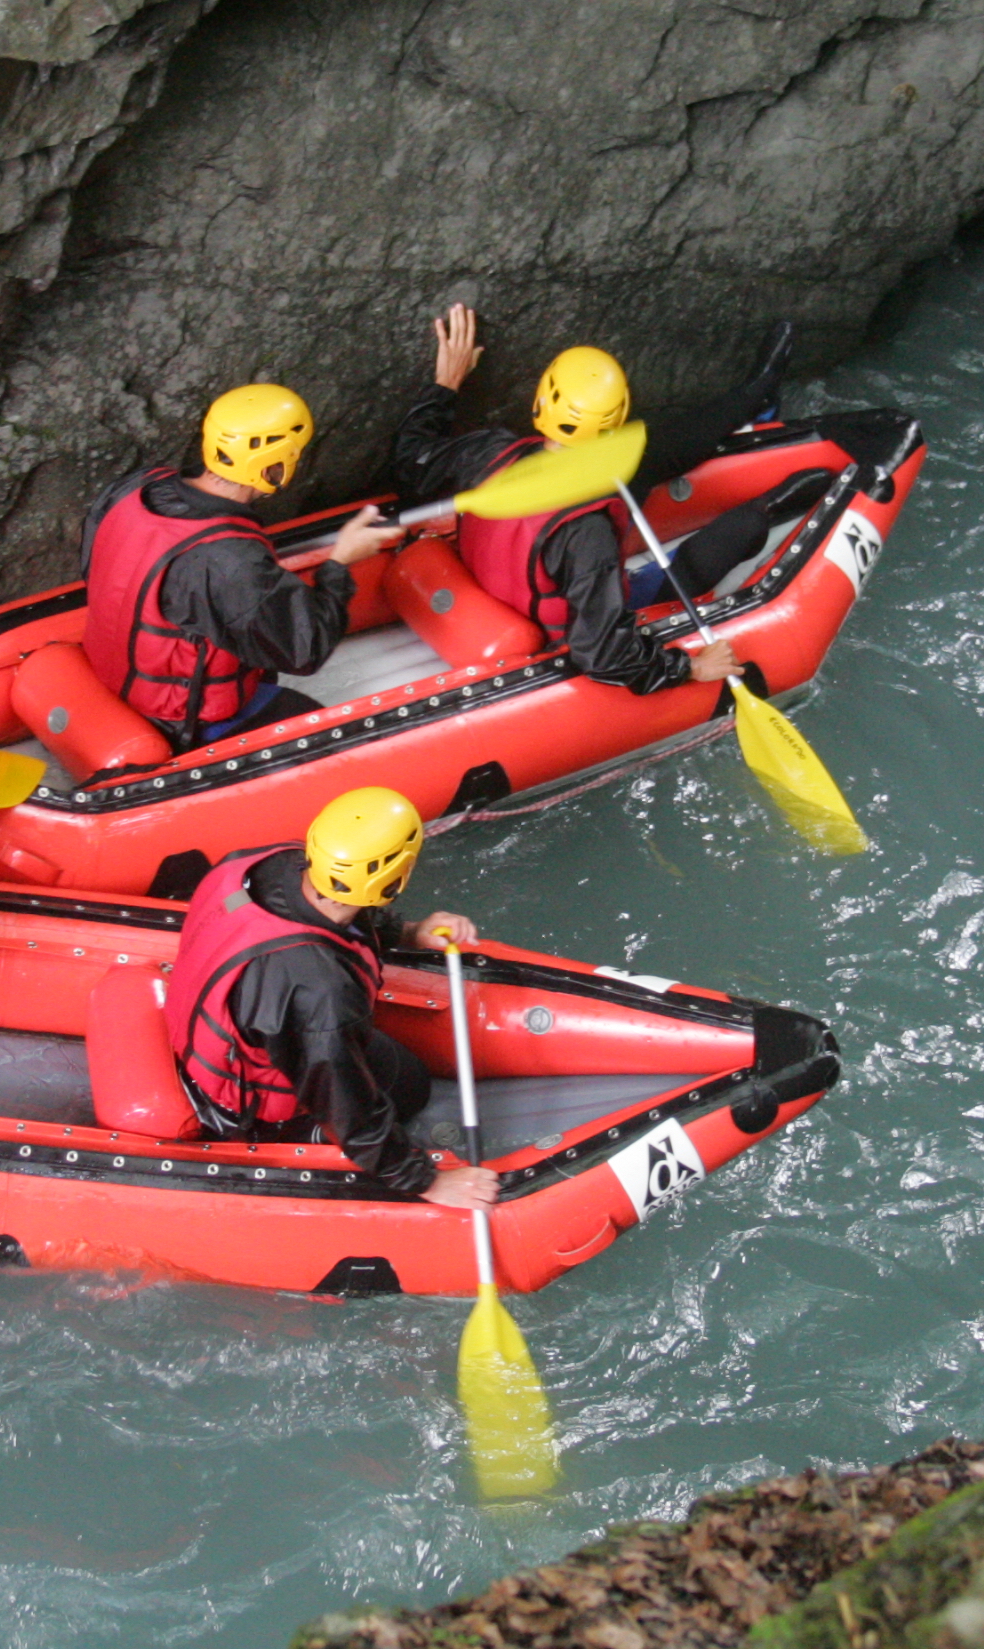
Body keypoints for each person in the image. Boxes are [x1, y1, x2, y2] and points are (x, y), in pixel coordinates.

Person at [390, 306, 819, 693]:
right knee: (712, 550)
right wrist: (689, 669)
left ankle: (755, 397)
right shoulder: (586, 534)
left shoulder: (487, 452)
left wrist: (445, 384)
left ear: (540, 402)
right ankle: (774, 504)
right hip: (547, 621)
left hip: (503, 578)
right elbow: (600, 653)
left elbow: (412, 461)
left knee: (649, 455)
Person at [165, 787, 499, 1209]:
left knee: (406, 1076)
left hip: (238, 1034)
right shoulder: (322, 993)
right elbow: (347, 1103)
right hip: (245, 1100)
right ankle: (305, 1136)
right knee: (408, 1090)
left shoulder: (266, 862)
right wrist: (426, 1182)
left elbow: (343, 909)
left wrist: (409, 933)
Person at [83, 381, 402, 752]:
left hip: (114, 678)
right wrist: (339, 563)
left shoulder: (134, 488)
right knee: (340, 740)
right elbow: (305, 648)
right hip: (181, 722)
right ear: (274, 466)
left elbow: (95, 569)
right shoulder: (230, 561)